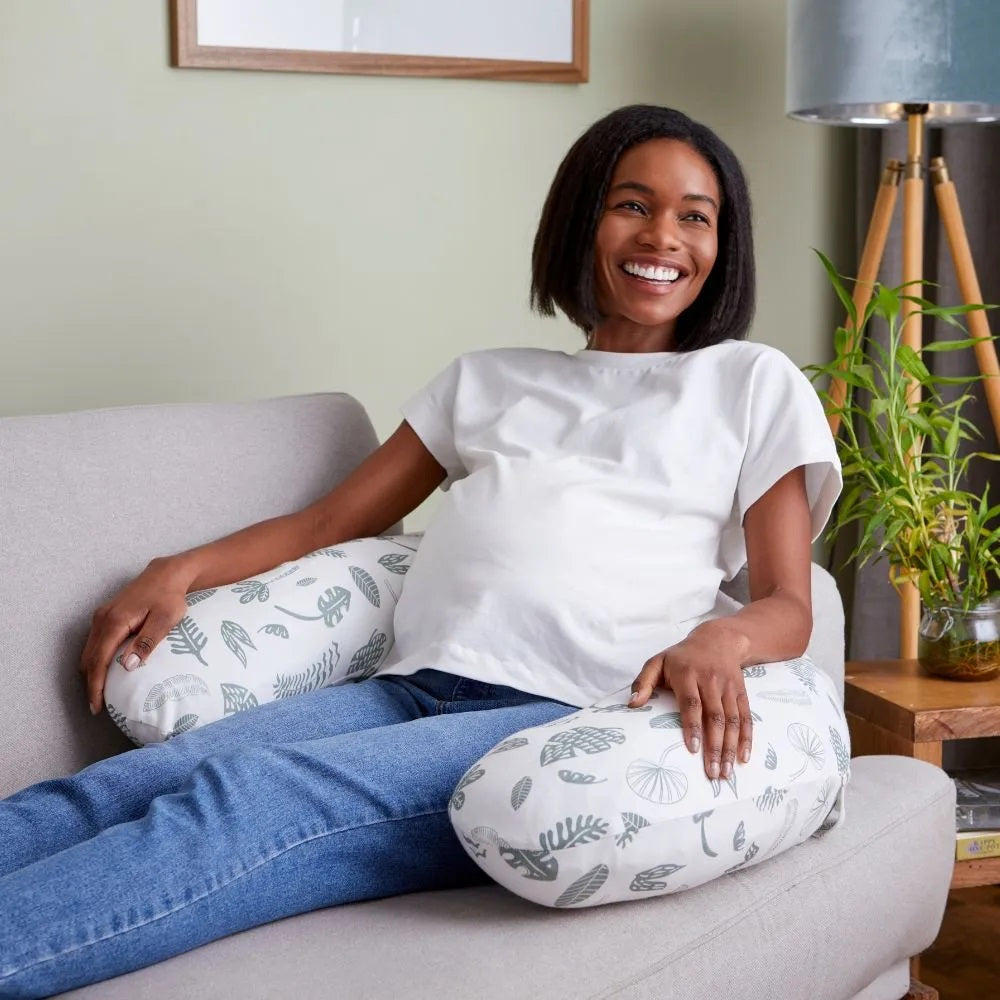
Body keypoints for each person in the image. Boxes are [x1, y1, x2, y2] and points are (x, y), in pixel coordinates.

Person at [0, 105, 840, 996]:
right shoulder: (488, 379)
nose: (662, 236)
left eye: (695, 216)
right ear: (582, 219)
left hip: (554, 722)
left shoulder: (750, 382)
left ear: (722, 244)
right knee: (133, 783)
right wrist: (178, 571)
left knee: (246, 803)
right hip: (404, 695)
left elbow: (789, 601)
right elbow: (331, 524)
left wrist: (725, 639)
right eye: (632, 204)